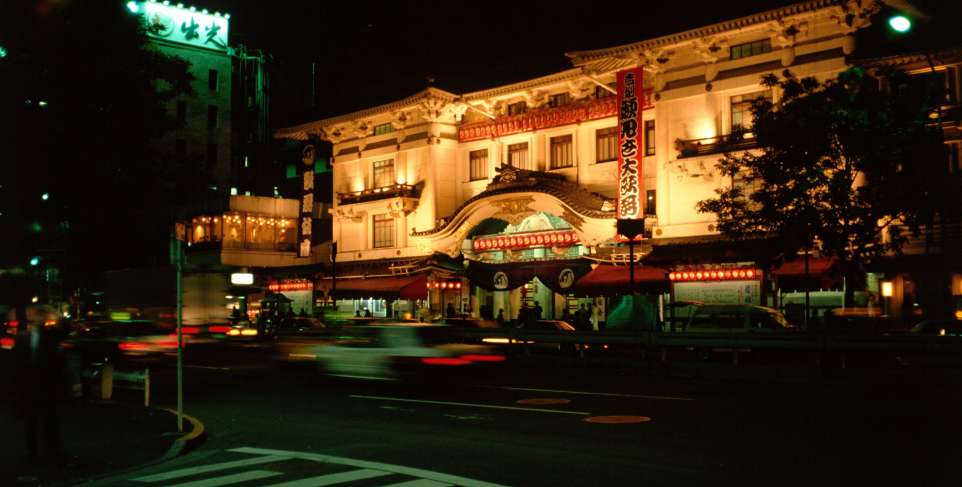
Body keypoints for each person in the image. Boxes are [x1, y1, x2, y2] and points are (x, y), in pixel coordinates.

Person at [13, 305, 64, 462]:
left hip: (43, 385)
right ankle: (36, 452)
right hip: (33, 385)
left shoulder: (48, 336)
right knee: (35, 420)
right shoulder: (27, 338)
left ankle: (47, 451)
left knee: (46, 420)